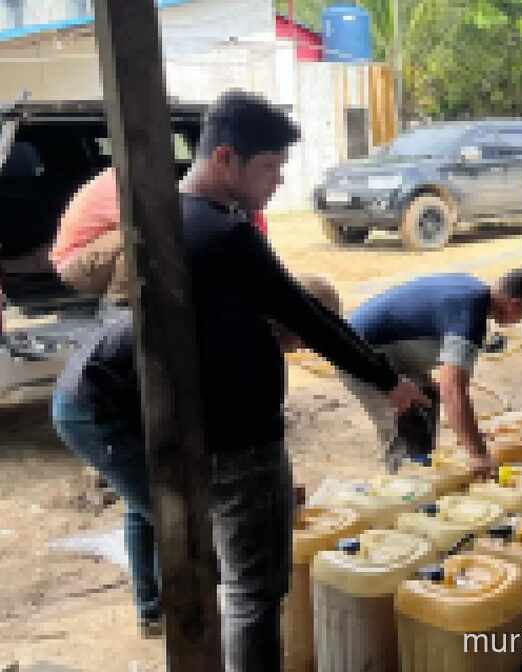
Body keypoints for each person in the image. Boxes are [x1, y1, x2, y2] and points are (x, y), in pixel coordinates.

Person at [65, 89, 424, 671]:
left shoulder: (160, 215)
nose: (278, 181)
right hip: (238, 442)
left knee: (223, 580)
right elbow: (311, 318)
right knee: (255, 593)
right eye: (270, 167)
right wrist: (389, 381)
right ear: (225, 159)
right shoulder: (226, 232)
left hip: (185, 427)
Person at [50, 275, 339, 641]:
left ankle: (153, 610)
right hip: (92, 407)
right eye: (307, 335)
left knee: (148, 504)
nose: (302, 348)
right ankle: (183, 616)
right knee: (173, 515)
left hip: (117, 395)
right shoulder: (236, 332)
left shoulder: (240, 319)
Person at [345, 269, 522, 476]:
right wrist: (478, 454)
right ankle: (407, 488)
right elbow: (453, 390)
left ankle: (423, 469)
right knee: (407, 421)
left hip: (386, 351)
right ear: (515, 305)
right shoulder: (470, 316)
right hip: (358, 356)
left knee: (426, 399)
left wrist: (471, 435)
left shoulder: (473, 289)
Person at [50, 167, 270, 308]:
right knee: (146, 234)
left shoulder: (153, 183)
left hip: (101, 260)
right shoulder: (121, 182)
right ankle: (121, 310)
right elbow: (163, 226)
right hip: (76, 267)